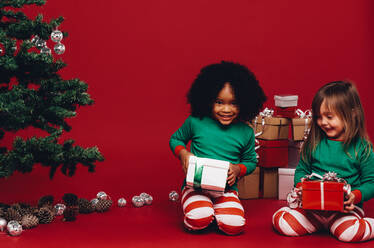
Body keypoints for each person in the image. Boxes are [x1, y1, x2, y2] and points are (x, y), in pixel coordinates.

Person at [169, 61, 266, 235]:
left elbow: (251, 161)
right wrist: (183, 153)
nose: (226, 109)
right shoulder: (195, 122)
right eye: (219, 102)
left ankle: (214, 211)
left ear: (245, 102)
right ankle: (202, 209)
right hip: (195, 186)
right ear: (207, 100)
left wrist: (238, 169)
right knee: (199, 219)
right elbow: (176, 139)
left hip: (227, 190)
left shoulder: (246, 132)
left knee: (234, 226)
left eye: (234, 103)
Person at [272, 81, 374, 242]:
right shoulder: (313, 143)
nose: (323, 122)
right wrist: (300, 186)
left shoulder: (363, 148)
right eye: (319, 117)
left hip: (344, 210)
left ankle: (356, 225)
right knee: (283, 222)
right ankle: (322, 225)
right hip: (313, 209)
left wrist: (355, 195)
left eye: (329, 117)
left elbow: (371, 182)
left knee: (349, 234)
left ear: (352, 113)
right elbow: (301, 170)